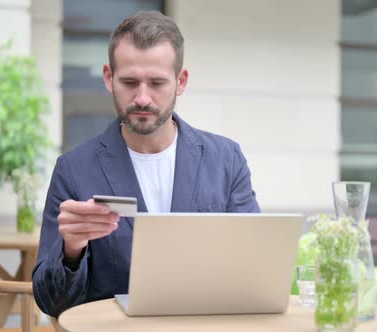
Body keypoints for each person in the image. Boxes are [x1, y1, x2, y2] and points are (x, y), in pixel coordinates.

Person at [32, 11, 260, 317]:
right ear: (108, 78)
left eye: (156, 83)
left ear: (181, 81)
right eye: (129, 82)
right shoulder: (73, 170)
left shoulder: (226, 160)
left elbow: (253, 271)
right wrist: (71, 250)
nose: (142, 97)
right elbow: (50, 303)